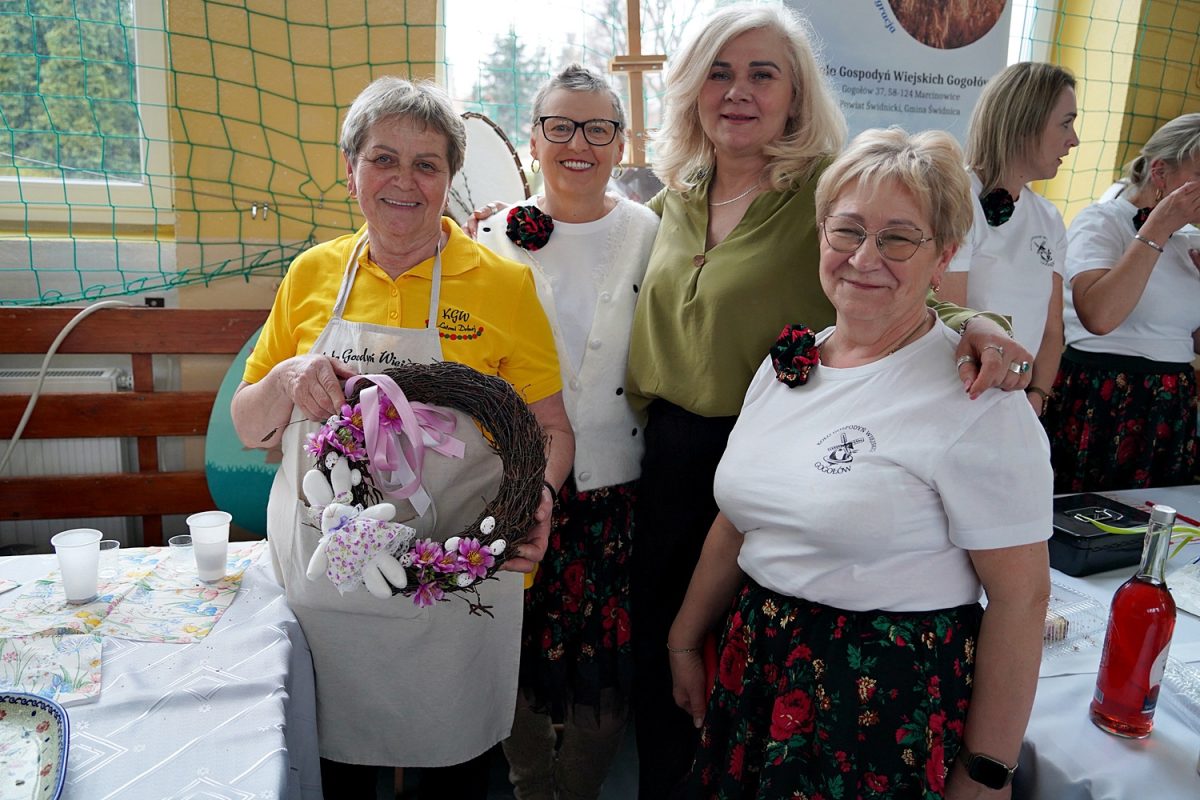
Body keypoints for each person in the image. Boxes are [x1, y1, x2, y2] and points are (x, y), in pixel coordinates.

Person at [622, 6, 1034, 796]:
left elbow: (893, 276)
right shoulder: (678, 196)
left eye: (762, 74)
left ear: (797, 96)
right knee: (672, 682)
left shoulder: (827, 190)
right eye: (718, 72)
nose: (737, 91)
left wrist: (977, 325)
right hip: (703, 455)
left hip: (818, 457)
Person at [229, 76, 574, 799]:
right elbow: (250, 424)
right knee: (337, 773)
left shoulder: (503, 285)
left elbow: (549, 427)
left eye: (427, 164)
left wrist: (541, 494)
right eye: (383, 159)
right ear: (350, 168)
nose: (404, 181)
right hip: (328, 587)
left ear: (450, 178)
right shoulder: (312, 273)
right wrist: (287, 377)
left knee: (451, 776)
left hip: (455, 580)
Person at [474, 64, 659, 799]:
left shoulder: (652, 233)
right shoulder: (489, 235)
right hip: (514, 485)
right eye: (560, 126)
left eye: (597, 128)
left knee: (604, 671)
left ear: (620, 144)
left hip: (617, 492)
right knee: (508, 652)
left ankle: (576, 791)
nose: (578, 143)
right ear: (533, 139)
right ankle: (530, 784)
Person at [1046, 112, 1200, 492]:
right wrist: (1159, 227)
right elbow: (1099, 317)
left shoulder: (1191, 238)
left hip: (1170, 402)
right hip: (1102, 395)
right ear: (1160, 172)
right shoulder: (1102, 222)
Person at [941, 62, 1079, 419]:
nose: (1074, 140)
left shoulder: (1049, 218)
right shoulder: (958, 198)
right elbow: (948, 321)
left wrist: (1037, 395)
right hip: (959, 396)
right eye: (1065, 123)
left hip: (1016, 402)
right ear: (1024, 123)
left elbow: (1052, 331)